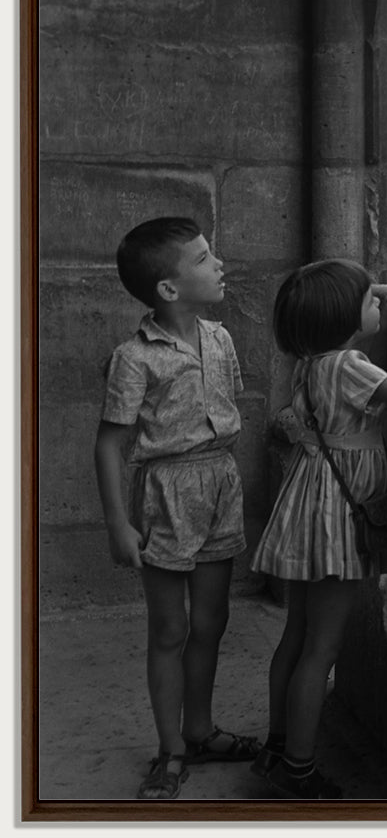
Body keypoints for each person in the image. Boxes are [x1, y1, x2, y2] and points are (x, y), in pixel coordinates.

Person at [248, 261, 387, 799]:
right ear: (343, 319)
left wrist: (376, 324)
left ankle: (277, 746)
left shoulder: (312, 363)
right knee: (322, 649)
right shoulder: (349, 366)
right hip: (336, 515)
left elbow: (358, 386)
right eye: (369, 297)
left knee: (296, 636)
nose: (379, 299)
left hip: (309, 501)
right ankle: (299, 771)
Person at [94, 217, 259, 800]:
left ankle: (200, 729)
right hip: (167, 492)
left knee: (211, 623)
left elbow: (224, 410)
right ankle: (170, 750)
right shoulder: (134, 358)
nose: (218, 265)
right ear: (168, 289)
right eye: (204, 259)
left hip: (220, 482)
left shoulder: (220, 340)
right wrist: (119, 523)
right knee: (171, 629)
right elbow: (110, 443)